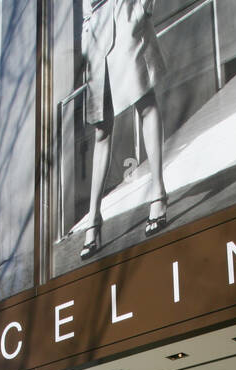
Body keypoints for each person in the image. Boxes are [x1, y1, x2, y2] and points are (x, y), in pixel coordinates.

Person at [71, 0, 169, 259]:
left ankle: (158, 192)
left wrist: (142, 10)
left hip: (124, 16)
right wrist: (85, 29)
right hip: (95, 34)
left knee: (145, 102)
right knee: (101, 129)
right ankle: (94, 217)